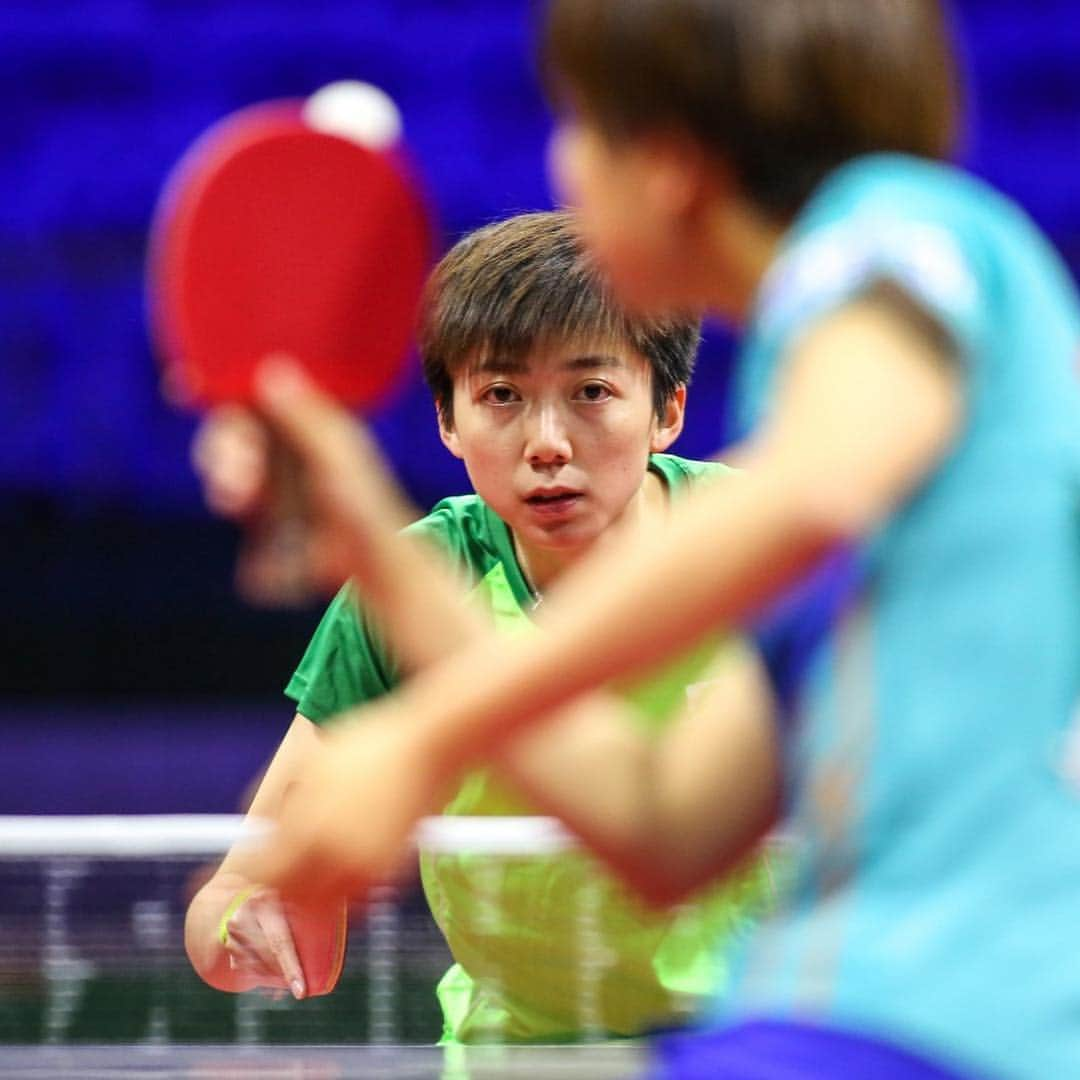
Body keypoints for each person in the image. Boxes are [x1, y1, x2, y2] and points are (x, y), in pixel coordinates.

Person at [245, 1, 1080, 1077]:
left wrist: (423, 735)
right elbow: (662, 826)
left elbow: (809, 491)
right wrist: (370, 540)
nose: (565, 164)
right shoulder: (872, 532)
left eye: (582, 123)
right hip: (842, 1012)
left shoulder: (903, 233)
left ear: (670, 161)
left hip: (966, 1018)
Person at [184, 210, 774, 1043]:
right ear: (447, 421)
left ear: (667, 411)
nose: (547, 443)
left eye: (592, 392)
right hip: (513, 1054)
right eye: (502, 396)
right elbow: (232, 891)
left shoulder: (761, 547)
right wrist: (251, 921)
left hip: (764, 1044)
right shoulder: (419, 577)